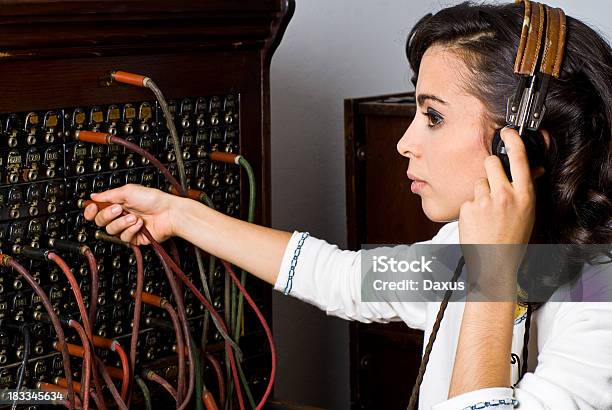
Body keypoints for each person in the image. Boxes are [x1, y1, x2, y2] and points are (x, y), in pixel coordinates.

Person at [84, 1, 612, 409]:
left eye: (433, 117)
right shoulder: (461, 248)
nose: (405, 142)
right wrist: (179, 214)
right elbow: (340, 278)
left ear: (521, 144)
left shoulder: (599, 301)